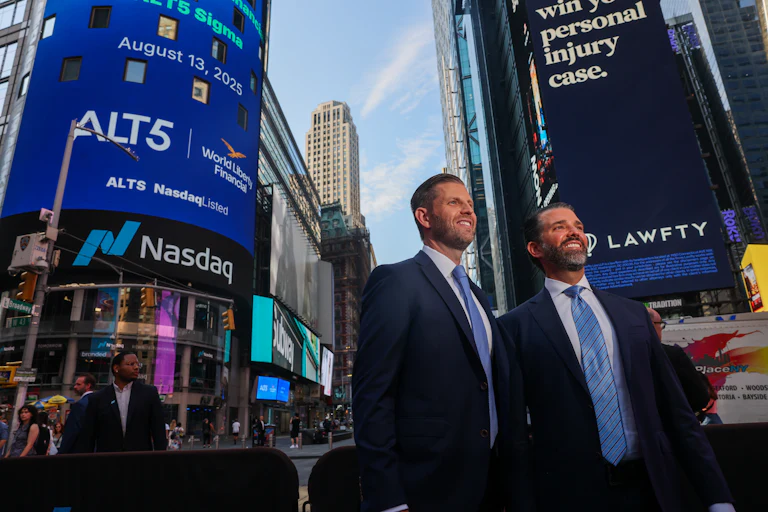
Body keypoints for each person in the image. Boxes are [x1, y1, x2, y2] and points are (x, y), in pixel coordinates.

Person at [498, 203, 734, 511]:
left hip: (651, 490)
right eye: (559, 227)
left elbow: (678, 413)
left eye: (579, 227)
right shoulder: (514, 327)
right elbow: (514, 433)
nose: (574, 232)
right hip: (568, 496)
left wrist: (717, 498)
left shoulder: (633, 314)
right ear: (535, 248)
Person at [353, 174, 530, 512]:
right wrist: (387, 499)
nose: (468, 210)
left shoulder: (478, 296)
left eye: (470, 204)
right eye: (454, 202)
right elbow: (372, 395)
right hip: (428, 490)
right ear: (424, 216)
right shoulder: (395, 281)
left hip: (494, 487)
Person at [76, 352, 166, 453]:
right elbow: (88, 436)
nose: (136, 367)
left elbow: (159, 431)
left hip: (140, 460)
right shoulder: (98, 398)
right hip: (107, 461)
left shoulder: (149, 393)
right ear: (116, 368)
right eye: (131, 364)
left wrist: (160, 460)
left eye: (137, 364)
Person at [647, 308, 711, 415]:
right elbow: (699, 399)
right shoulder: (671, 355)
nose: (661, 329)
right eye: (660, 324)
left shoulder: (620, 355)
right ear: (651, 325)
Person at [59, 373, 96, 454]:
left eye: (78, 384)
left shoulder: (79, 405)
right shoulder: (98, 401)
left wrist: (61, 452)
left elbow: (72, 431)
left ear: (88, 385)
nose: (75, 387)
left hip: (77, 451)